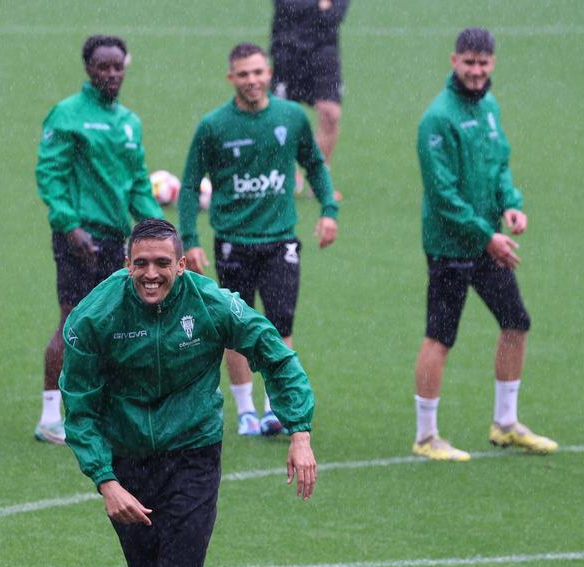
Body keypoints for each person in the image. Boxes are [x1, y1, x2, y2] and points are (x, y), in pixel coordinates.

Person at [59, 218, 317, 567]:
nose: (151, 274)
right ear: (126, 264)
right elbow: (78, 409)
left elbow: (276, 354)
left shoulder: (212, 304)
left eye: (163, 263)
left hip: (193, 457)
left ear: (182, 264)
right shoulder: (94, 318)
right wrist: (106, 481)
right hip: (128, 465)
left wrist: (298, 431)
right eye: (141, 263)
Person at [178, 42, 337, 438]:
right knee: (235, 328)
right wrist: (190, 239)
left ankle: (275, 409)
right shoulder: (214, 126)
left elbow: (314, 164)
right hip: (233, 242)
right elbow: (189, 185)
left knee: (280, 326)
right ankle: (246, 410)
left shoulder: (291, 117)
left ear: (269, 73)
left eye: (258, 72)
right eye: (243, 74)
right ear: (231, 77)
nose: (252, 80)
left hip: (280, 241)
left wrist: (329, 210)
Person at [412, 27, 557, 461]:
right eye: (469, 63)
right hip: (451, 246)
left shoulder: (489, 107)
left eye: (483, 63)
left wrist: (511, 204)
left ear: (493, 63)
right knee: (440, 337)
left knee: (516, 322)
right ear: (454, 61)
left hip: (486, 243)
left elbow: (499, 166)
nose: (476, 71)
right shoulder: (437, 119)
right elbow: (442, 195)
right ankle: (425, 436)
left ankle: (505, 424)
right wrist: (486, 235)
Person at [34, 35, 163, 445]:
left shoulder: (129, 122)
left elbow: (138, 183)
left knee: (116, 326)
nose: (111, 74)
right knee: (72, 322)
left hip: (116, 240)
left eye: (117, 67)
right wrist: (70, 226)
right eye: (102, 67)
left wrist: (161, 230)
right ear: (88, 69)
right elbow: (50, 176)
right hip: (78, 237)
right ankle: (50, 417)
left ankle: (105, 411)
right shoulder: (67, 114)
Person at [270, 0, 349, 198]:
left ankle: (319, 180)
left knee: (331, 114)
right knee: (279, 117)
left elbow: (334, 15)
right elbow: (287, 7)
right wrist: (318, 6)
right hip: (287, 50)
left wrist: (313, 9)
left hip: (324, 53)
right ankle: (285, 175)